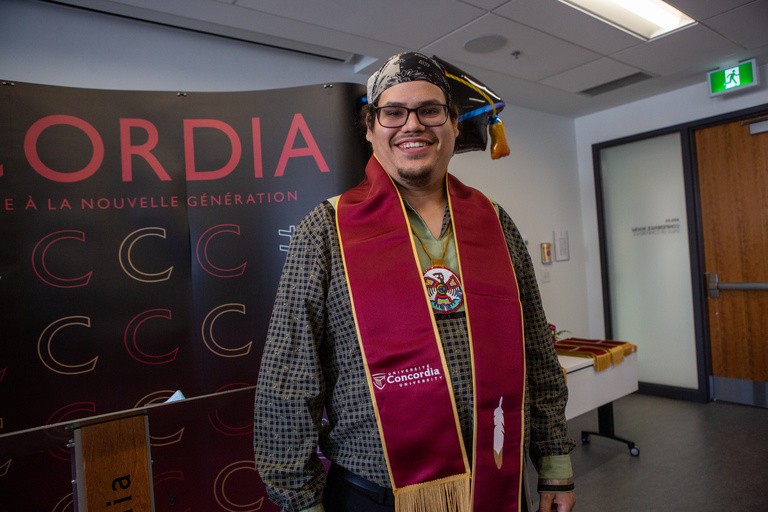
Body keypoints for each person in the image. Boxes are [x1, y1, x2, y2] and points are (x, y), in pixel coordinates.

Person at [254, 51, 576, 512]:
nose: (413, 125)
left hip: (497, 478)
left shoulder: (495, 223)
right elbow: (289, 377)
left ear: (454, 124)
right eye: (393, 112)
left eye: (430, 110)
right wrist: (300, 500)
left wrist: (556, 466)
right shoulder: (325, 231)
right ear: (369, 128)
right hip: (377, 491)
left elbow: (537, 355)